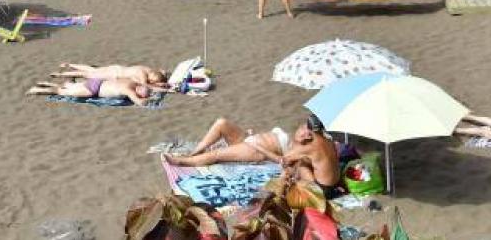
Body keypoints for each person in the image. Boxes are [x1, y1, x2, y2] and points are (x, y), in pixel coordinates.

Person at [165, 116, 340, 191]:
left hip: (254, 149)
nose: (303, 130)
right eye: (302, 126)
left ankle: (184, 162)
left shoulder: (304, 148)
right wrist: (251, 138)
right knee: (221, 123)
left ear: (312, 133)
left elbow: (283, 161)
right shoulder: (321, 141)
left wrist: (259, 148)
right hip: (250, 140)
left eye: (306, 129)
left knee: (217, 155)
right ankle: (195, 152)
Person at [25, 77, 159, 106]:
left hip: (97, 81)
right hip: (94, 89)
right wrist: (150, 99)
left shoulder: (131, 82)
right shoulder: (128, 89)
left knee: (70, 87)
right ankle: (37, 90)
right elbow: (140, 103)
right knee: (62, 92)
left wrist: (153, 91)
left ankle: (46, 83)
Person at [51, 64, 168, 86]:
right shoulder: (142, 73)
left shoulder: (146, 69)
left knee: (92, 70)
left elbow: (162, 71)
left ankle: (70, 64)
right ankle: (60, 74)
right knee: (88, 74)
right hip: (114, 73)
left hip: (116, 68)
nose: (152, 81)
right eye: (153, 80)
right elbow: (145, 84)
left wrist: (162, 77)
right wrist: (161, 86)